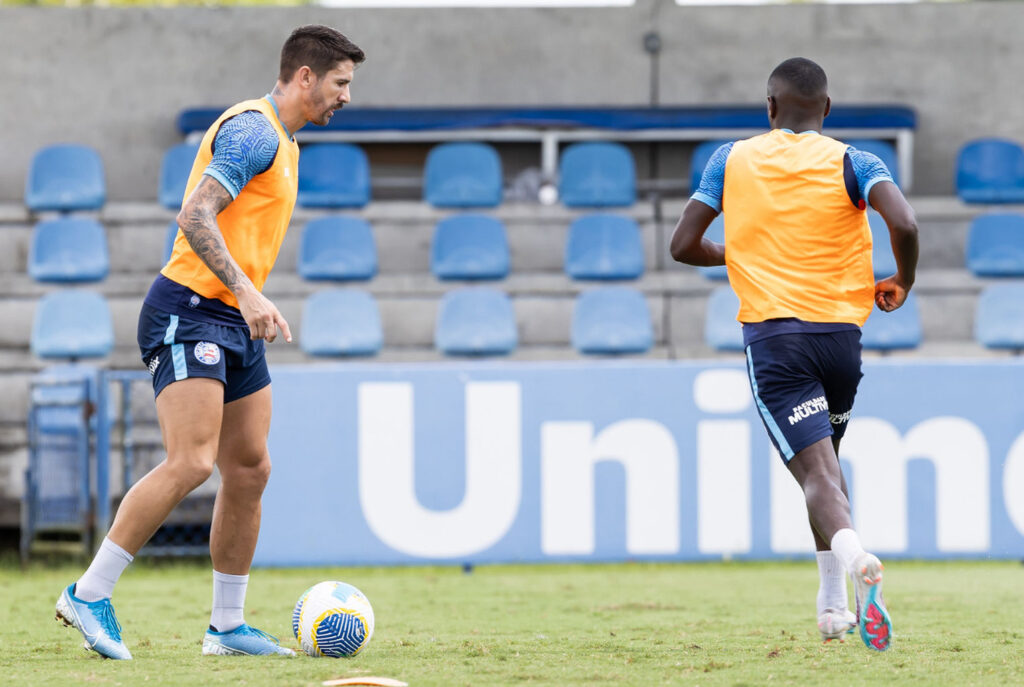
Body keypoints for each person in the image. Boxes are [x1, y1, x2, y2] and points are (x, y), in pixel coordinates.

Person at [55, 25, 366, 659]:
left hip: (232, 320)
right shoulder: (253, 129)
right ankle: (89, 592)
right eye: (341, 83)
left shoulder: (286, 141)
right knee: (192, 462)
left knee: (250, 468)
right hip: (191, 310)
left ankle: (226, 628)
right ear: (305, 76)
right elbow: (194, 214)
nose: (346, 97)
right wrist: (247, 292)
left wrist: (247, 299)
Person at [670, 57, 918, 652]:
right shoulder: (856, 161)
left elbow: (682, 244)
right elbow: (905, 223)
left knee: (816, 477)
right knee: (827, 468)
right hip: (841, 342)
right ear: (826, 110)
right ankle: (834, 609)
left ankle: (856, 556)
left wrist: (743, 254)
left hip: (778, 340)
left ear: (770, 107)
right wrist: (902, 280)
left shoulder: (731, 158)